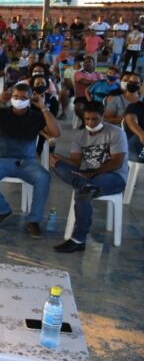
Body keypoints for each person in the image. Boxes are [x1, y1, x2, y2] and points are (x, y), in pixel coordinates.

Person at [0, 83, 61, 238]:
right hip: (1, 159)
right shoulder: (1, 113)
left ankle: (34, 220)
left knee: (43, 178)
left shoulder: (36, 117)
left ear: (30, 99)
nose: (19, 100)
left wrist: (43, 107)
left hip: (27, 161)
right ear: (10, 97)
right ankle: (3, 209)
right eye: (15, 97)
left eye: (24, 98)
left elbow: (56, 132)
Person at [50, 101, 128, 253]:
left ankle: (78, 239)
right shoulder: (80, 136)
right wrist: (60, 158)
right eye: (87, 119)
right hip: (89, 176)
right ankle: (84, 185)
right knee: (58, 166)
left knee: (84, 191)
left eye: (95, 119)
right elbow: (75, 162)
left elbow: (117, 163)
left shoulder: (116, 132)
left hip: (113, 177)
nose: (91, 123)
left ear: (103, 117)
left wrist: (91, 173)